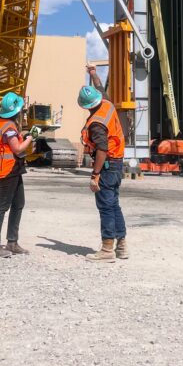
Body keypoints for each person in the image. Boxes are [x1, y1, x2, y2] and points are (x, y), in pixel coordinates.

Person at [78, 84, 128, 262]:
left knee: (106, 207)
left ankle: (107, 250)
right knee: (114, 204)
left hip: (107, 166)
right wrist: (94, 75)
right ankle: (121, 246)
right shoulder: (107, 104)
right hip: (117, 162)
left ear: (86, 106)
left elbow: (101, 149)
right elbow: (102, 89)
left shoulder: (96, 124)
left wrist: (95, 174)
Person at [0, 92, 34, 258]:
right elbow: (17, 148)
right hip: (8, 170)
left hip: (14, 168)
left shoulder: (5, 123)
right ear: (17, 110)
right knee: (2, 206)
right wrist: (30, 138)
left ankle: (12, 242)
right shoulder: (8, 127)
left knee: (18, 203)